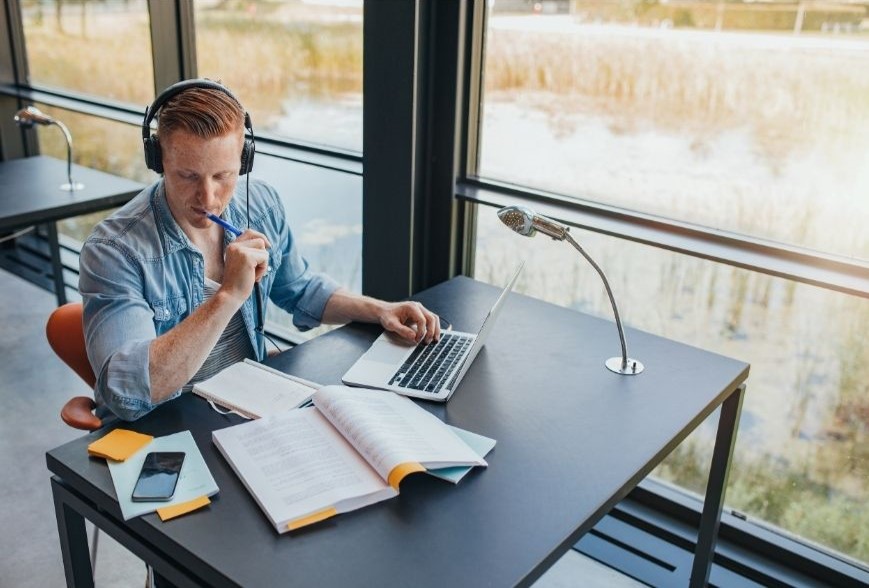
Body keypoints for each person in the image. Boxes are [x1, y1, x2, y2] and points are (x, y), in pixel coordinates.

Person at [79, 79, 441, 421]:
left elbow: (300, 289)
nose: (208, 198)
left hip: (246, 406)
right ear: (158, 161)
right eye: (187, 176)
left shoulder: (262, 204)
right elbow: (128, 392)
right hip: (166, 426)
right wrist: (228, 295)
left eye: (223, 176)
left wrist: (380, 310)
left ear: (244, 160)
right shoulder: (114, 250)